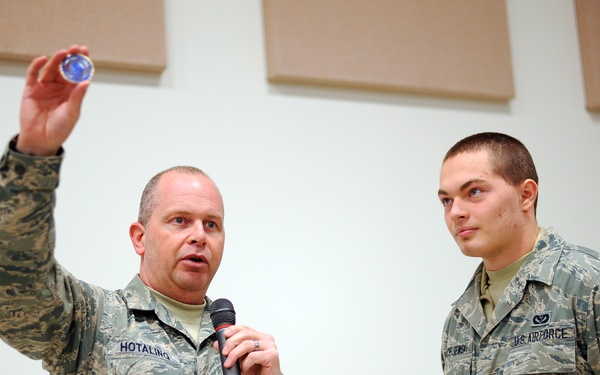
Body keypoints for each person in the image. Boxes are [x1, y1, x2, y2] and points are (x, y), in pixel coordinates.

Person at [0, 45, 283, 375]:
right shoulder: (91, 319)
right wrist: (34, 153)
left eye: (211, 225)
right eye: (180, 220)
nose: (199, 236)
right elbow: (14, 275)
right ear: (140, 237)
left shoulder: (239, 350)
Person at [438, 131, 600, 374]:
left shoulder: (588, 286)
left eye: (474, 192)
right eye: (447, 200)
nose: (455, 212)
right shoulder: (459, 320)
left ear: (526, 195)